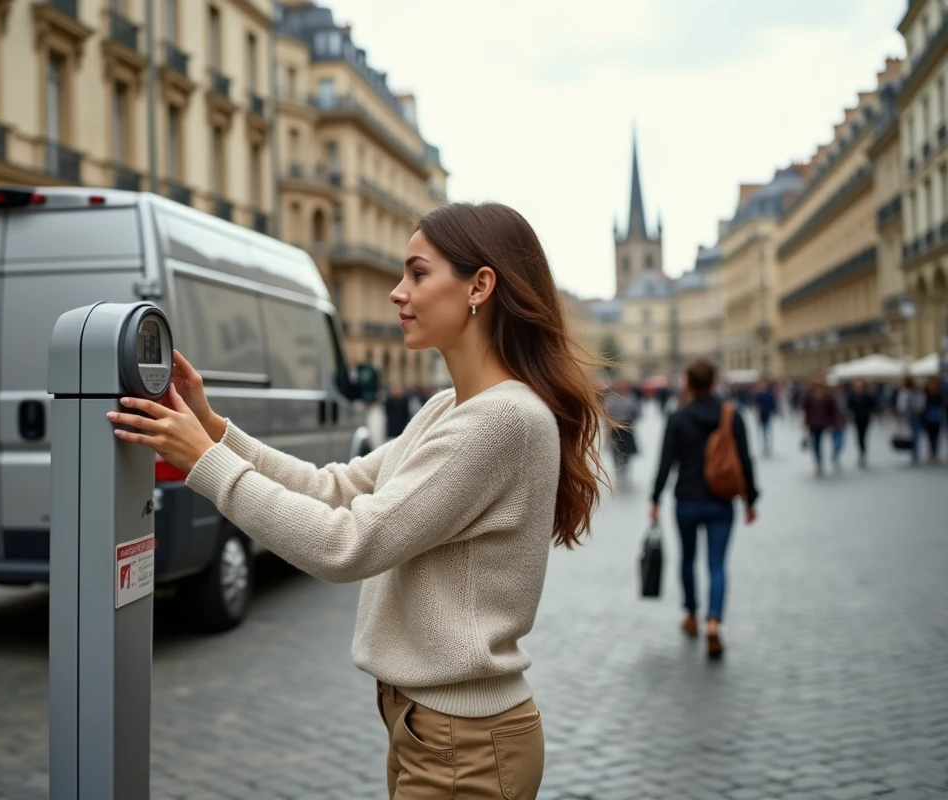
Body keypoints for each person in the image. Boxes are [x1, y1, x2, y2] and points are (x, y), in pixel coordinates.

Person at [107, 202, 608, 799]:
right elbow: (336, 487)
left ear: (480, 286)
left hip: (464, 746)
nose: (398, 293)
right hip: (431, 731)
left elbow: (346, 543)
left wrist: (206, 464)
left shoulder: (501, 421)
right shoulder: (450, 409)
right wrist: (214, 429)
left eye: (418, 274)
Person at [650, 360, 758, 661]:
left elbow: (665, 461)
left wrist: (655, 499)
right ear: (714, 382)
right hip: (722, 501)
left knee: (687, 558)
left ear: (687, 383)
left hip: (686, 499)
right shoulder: (731, 415)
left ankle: (691, 615)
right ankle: (714, 623)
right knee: (717, 565)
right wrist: (751, 500)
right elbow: (745, 461)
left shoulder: (678, 417)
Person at [605, 378, 640, 492]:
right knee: (616, 453)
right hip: (615, 429)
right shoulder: (611, 400)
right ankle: (619, 473)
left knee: (627, 453)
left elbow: (637, 413)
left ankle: (625, 473)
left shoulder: (631, 399)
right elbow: (607, 416)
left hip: (627, 429)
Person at [801, 378, 840, 477]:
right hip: (812, 423)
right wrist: (803, 422)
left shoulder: (827, 397)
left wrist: (831, 424)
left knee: (819, 442)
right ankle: (818, 462)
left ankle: (819, 462)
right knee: (816, 443)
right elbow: (805, 411)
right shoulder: (809, 397)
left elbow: (832, 412)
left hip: (823, 423)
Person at [844, 379, 876, 468]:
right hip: (857, 419)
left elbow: (873, 405)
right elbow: (849, 406)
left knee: (863, 435)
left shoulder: (867, 395)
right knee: (859, 436)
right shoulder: (852, 396)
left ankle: (863, 452)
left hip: (865, 419)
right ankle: (861, 451)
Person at [895, 377, 926, 466]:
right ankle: (914, 453)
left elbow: (901, 406)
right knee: (913, 435)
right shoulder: (905, 392)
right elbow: (901, 405)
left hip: (914, 416)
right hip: (909, 416)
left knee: (915, 435)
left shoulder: (915, 392)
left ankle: (915, 454)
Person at [752, 381, 778, 457]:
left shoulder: (760, 395)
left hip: (764, 415)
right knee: (766, 430)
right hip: (765, 414)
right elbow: (773, 405)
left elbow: (757, 405)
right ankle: (766, 446)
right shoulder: (767, 395)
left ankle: (766, 446)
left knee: (764, 431)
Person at [923, 378, 944, 464]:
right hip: (929, 418)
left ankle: (934, 453)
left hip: (936, 418)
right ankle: (931, 453)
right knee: (930, 437)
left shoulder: (939, 395)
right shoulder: (926, 394)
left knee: (936, 437)